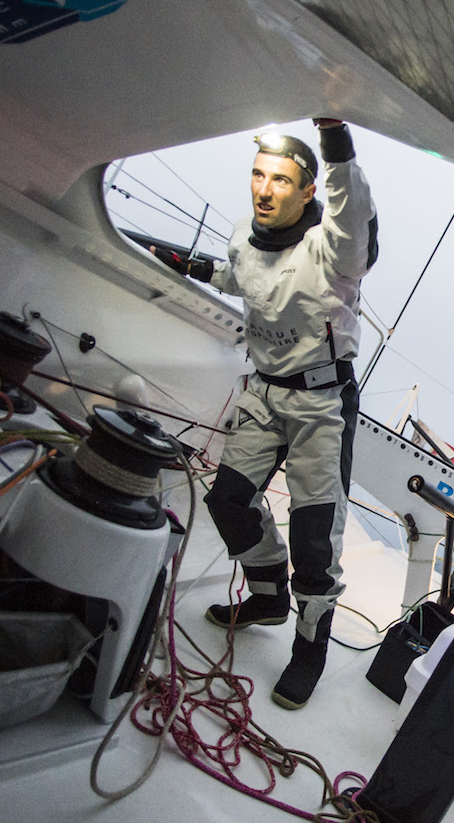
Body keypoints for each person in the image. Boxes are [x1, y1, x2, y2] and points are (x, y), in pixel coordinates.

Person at [152, 118, 376, 709]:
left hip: (321, 405)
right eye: (257, 175)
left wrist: (335, 144)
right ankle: (268, 594)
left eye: (282, 179)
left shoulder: (333, 250)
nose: (265, 189)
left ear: (309, 192)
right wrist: (185, 264)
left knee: (315, 542)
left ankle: (309, 651)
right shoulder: (243, 236)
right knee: (228, 502)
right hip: (265, 392)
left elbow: (354, 214)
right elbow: (238, 276)